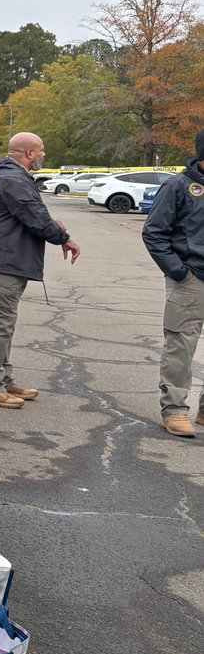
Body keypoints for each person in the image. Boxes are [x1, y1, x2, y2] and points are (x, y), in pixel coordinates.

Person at [0, 132, 80, 409]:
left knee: (3, 326)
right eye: (41, 150)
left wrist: (55, 227)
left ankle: (2, 379)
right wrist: (63, 237)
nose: (43, 155)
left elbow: (31, 214)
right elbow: (35, 217)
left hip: (3, 261)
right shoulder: (13, 179)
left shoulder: (13, 177)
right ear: (29, 153)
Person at [141, 127, 204, 437]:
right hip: (191, 279)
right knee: (181, 345)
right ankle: (175, 409)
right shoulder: (178, 186)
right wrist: (179, 272)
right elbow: (154, 233)